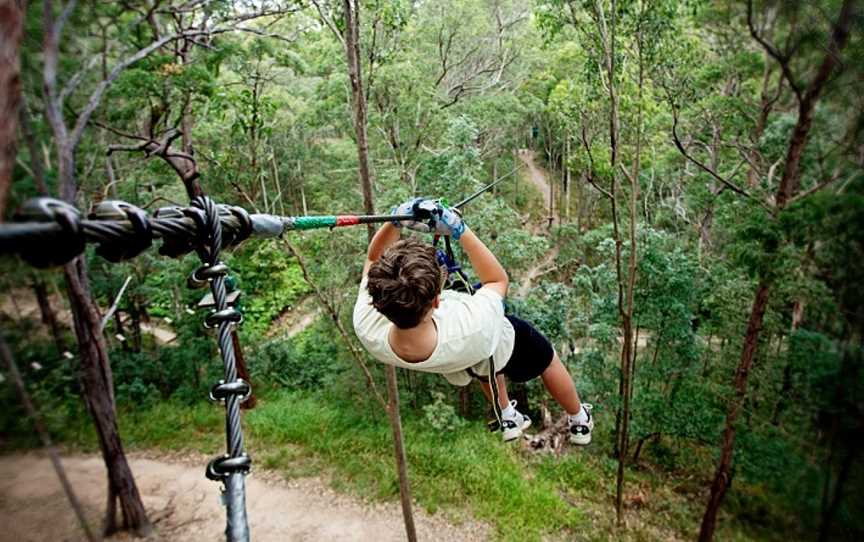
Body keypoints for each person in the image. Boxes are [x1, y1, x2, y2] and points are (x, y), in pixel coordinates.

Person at [352, 198, 593, 443]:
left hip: (459, 361)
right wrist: (459, 229)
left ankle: (507, 413)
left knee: (482, 365)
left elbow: (373, 260)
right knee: (547, 359)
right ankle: (579, 418)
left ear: (377, 300)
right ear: (437, 301)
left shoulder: (367, 325)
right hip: (496, 344)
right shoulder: (472, 323)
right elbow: (497, 281)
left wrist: (394, 220)